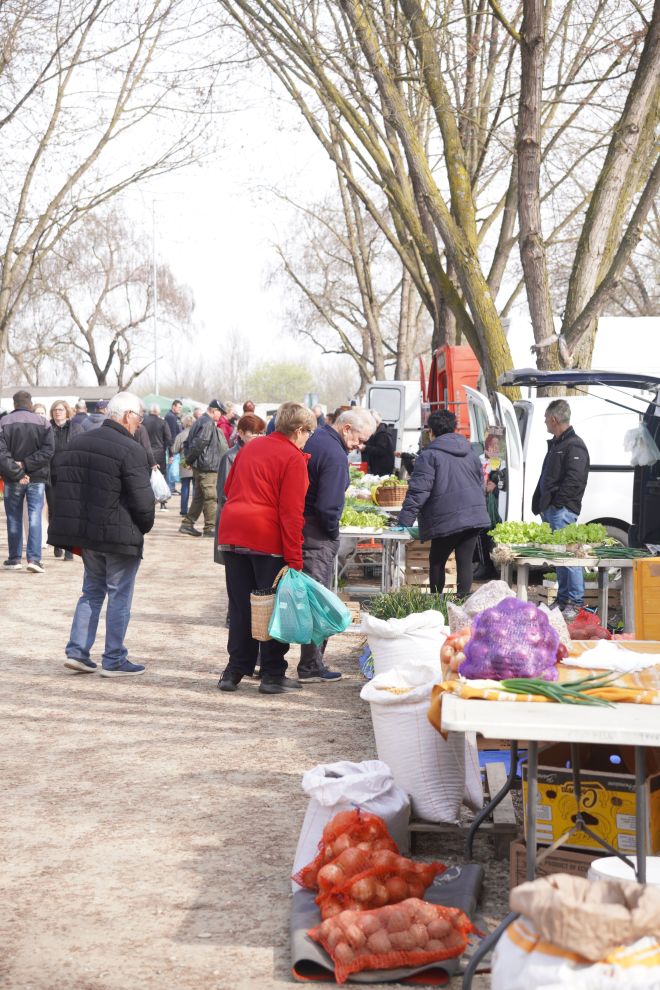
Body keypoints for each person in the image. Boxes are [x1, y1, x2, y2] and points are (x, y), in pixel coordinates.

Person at [48, 392, 155, 676]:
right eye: (139, 418)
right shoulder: (131, 449)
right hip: (119, 535)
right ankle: (114, 658)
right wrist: (144, 525)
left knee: (92, 592)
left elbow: (63, 486)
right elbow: (144, 502)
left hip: (88, 534)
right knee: (119, 595)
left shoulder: (78, 442)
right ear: (127, 416)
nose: (139, 424)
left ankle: (78, 651)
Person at [217, 402, 317, 695]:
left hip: (233, 532)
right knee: (274, 607)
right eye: (308, 432)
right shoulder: (293, 458)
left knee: (240, 606)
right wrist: (295, 558)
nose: (308, 438)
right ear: (298, 430)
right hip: (265, 537)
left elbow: (228, 489)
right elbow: (291, 513)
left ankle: (234, 671)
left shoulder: (250, 448)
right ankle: (272, 674)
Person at [298, 407, 376, 683]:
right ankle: (310, 665)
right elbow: (328, 506)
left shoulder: (316, 439)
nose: (360, 445)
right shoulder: (334, 454)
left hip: (300, 527)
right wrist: (332, 533)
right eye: (359, 438)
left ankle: (269, 659)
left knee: (296, 596)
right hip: (316, 534)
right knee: (318, 600)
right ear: (346, 428)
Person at [398, 410, 491, 597]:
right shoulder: (470, 453)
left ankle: (436, 604)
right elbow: (480, 483)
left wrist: (403, 521)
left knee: (437, 560)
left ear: (431, 431)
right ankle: (462, 605)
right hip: (474, 516)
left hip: (447, 518)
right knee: (464, 561)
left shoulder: (429, 455)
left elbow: (419, 491)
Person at [531, 399, 590, 620]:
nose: (545, 422)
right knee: (560, 557)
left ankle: (575, 601)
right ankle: (564, 598)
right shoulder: (558, 443)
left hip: (561, 510)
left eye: (546, 418)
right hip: (552, 509)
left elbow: (575, 480)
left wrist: (558, 504)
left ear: (554, 419)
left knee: (568, 555)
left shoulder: (574, 445)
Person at [0, 390, 54, 572]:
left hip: (12, 478)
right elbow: (48, 451)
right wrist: (27, 465)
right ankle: (34, 559)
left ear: (14, 404)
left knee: (14, 518)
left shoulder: (3, 422)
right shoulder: (43, 423)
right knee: (35, 517)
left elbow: (1, 454)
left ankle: (15, 559)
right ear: (31, 403)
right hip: (36, 477)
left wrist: (17, 470)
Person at [179, 399, 227, 537]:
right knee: (211, 497)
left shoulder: (200, 421)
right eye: (220, 412)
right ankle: (210, 528)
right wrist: (189, 460)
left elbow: (189, 442)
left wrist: (189, 460)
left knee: (199, 497)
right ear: (213, 410)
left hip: (201, 466)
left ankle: (187, 524)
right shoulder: (207, 423)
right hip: (207, 466)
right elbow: (200, 443)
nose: (221, 416)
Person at [47, 400, 75, 561]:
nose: (57, 412)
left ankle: (69, 548)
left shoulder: (75, 428)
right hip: (51, 475)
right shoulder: (46, 428)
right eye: (55, 410)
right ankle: (57, 542)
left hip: (70, 476)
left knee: (69, 511)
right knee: (54, 511)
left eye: (60, 409)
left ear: (67, 411)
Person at [172, 414, 195, 516]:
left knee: (185, 487)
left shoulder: (180, 435)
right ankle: (194, 510)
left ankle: (184, 510)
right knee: (195, 487)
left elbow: (174, 450)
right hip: (195, 463)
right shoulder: (197, 434)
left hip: (184, 463)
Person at [363, 409, 395, 476]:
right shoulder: (378, 430)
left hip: (382, 469)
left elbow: (381, 450)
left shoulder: (382, 433)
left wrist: (365, 448)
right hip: (378, 467)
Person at [164, 399, 183, 493]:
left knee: (172, 468)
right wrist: (172, 450)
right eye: (179, 407)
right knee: (171, 469)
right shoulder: (171, 417)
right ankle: (170, 488)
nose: (180, 409)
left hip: (175, 446)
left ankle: (172, 487)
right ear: (173, 406)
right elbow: (171, 434)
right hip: (173, 446)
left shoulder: (174, 416)